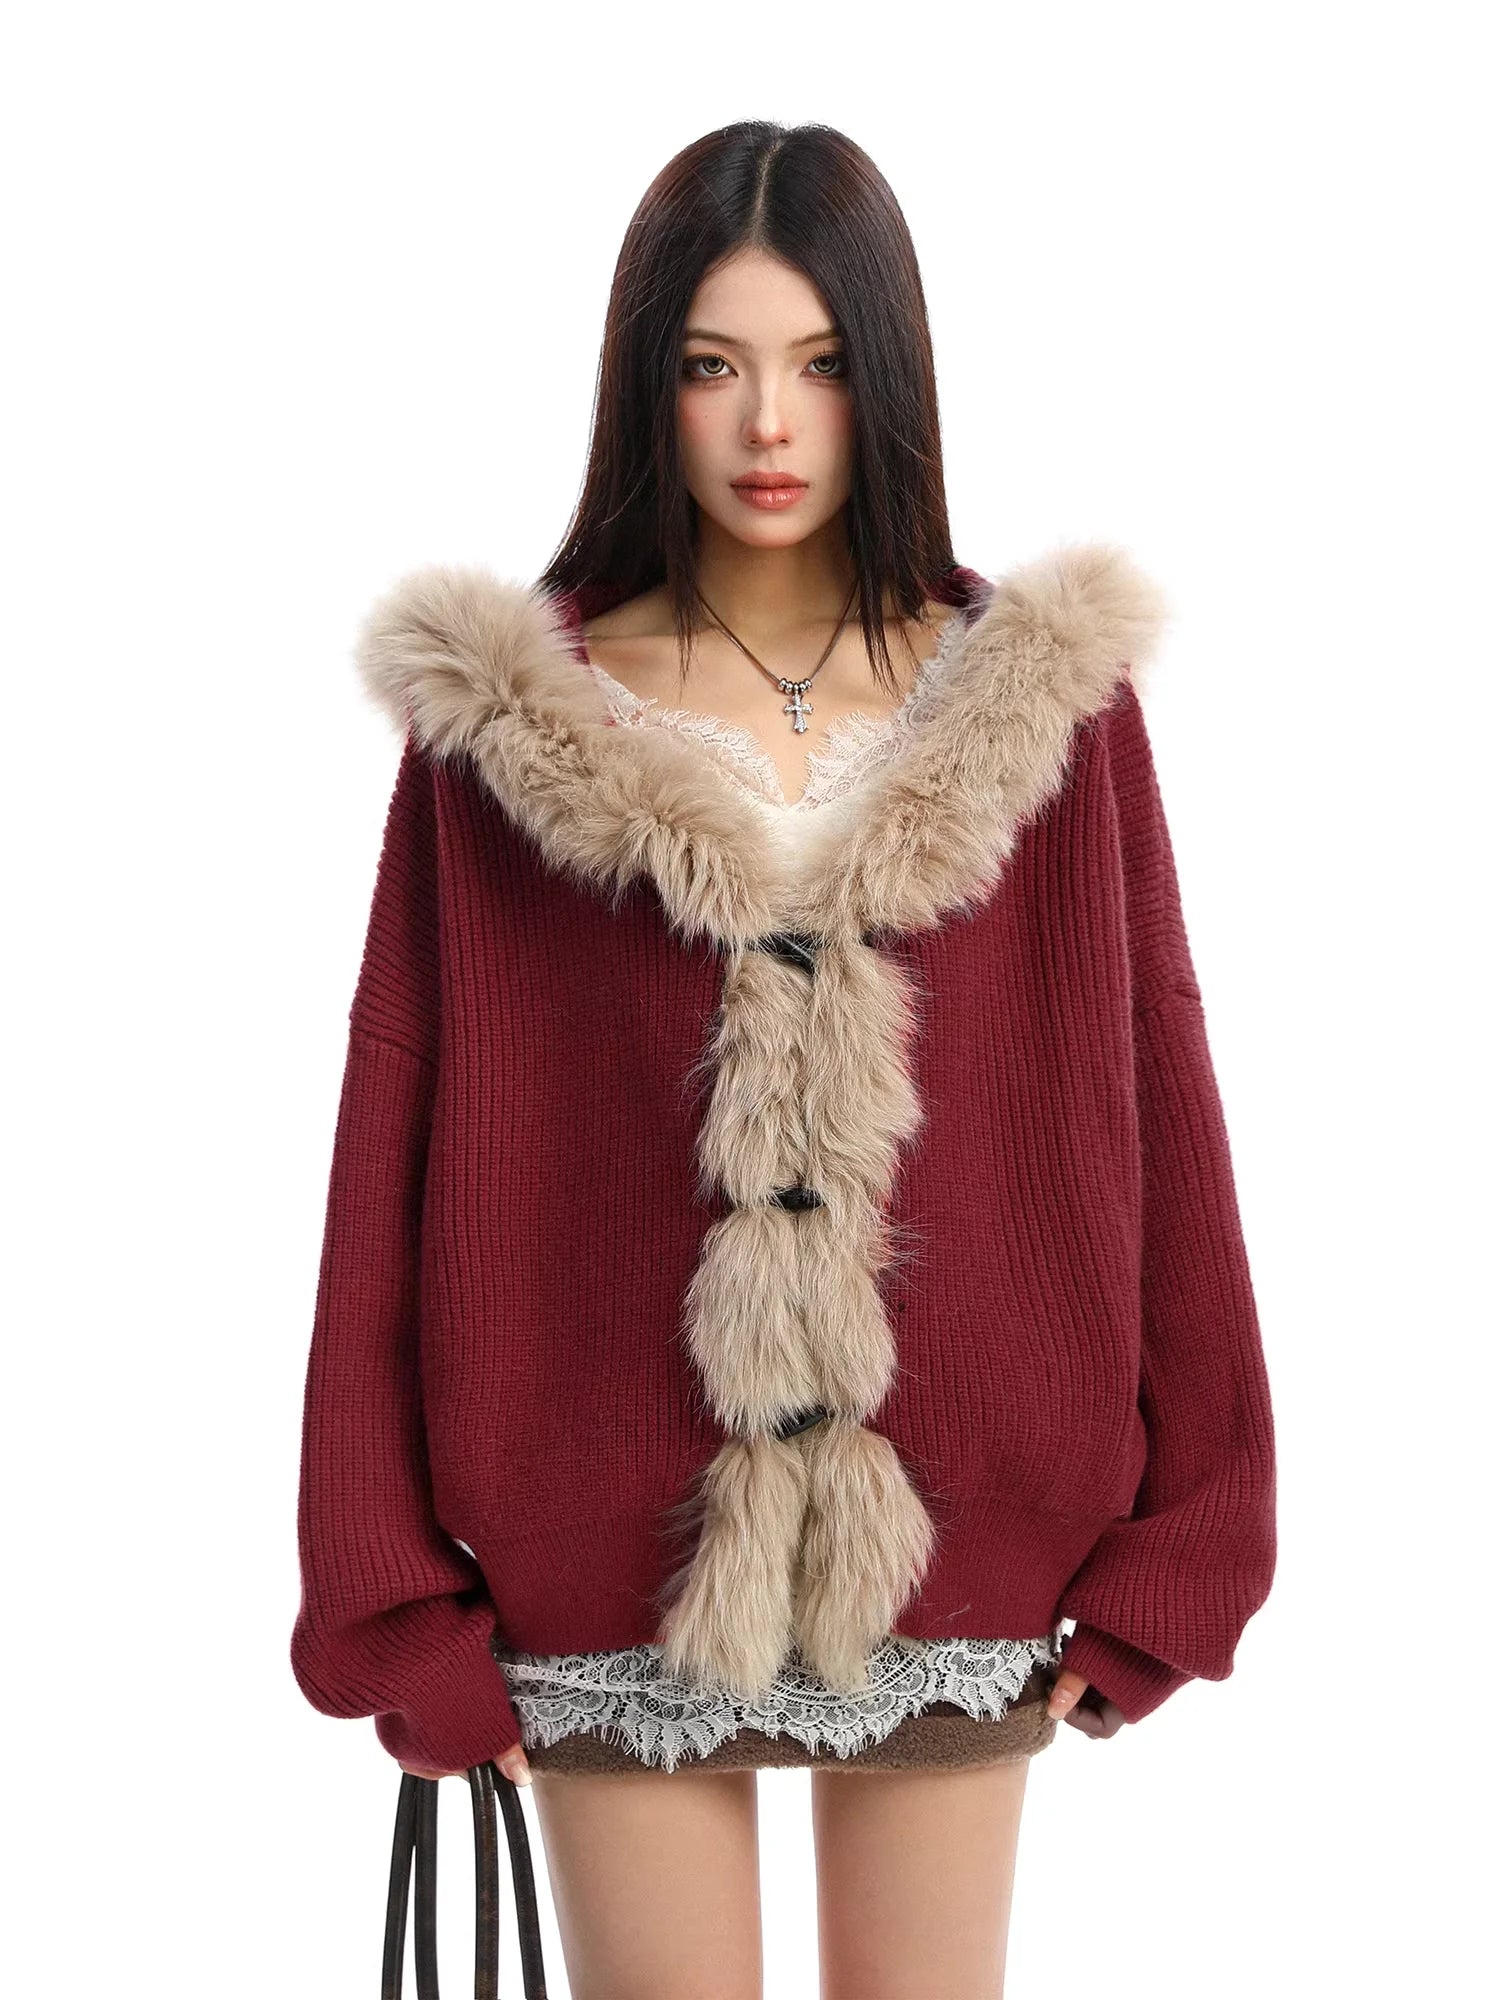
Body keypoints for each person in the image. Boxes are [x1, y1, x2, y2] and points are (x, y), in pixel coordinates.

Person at [290, 118, 1277, 2000]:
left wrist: (1197, 1534)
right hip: (608, 1548)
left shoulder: (1045, 709)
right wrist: (391, 1596)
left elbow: (1158, 1094)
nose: (768, 424)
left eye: (821, 365)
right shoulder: (502, 729)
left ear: (886, 379)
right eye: (711, 364)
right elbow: (394, 1138)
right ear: (642, 383)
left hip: (964, 1537)